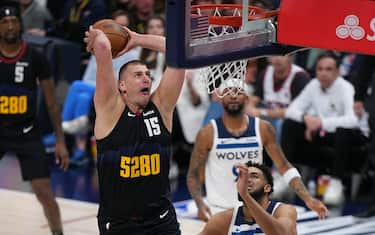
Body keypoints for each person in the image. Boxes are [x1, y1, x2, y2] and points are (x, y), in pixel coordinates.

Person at [84, 17, 185, 234]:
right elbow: (102, 46)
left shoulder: (162, 107)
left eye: (148, 75)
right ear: (122, 86)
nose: (146, 79)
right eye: (138, 75)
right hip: (120, 223)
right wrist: (99, 37)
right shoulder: (109, 110)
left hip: (161, 220)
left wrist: (137, 39)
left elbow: (180, 52)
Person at [187, 79, 328, 222]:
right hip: (219, 210)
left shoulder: (263, 128)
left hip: (254, 210)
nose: (233, 96)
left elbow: (284, 166)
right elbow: (193, 175)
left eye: (238, 92)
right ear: (220, 98)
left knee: (288, 218)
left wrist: (308, 199)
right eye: (228, 92)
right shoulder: (207, 133)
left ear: (247, 98)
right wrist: (199, 204)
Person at [0, 1, 69, 235]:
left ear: (20, 24)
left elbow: (51, 102)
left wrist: (60, 141)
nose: (10, 26)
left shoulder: (35, 57)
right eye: (5, 22)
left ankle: (58, 232)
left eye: (14, 21)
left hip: (27, 133)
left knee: (44, 192)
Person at [282, 52, 368, 206]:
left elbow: (353, 120)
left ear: (337, 72)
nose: (323, 73)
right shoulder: (313, 85)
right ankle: (286, 176)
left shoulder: (346, 88)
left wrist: (320, 122)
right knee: (290, 124)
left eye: (328, 69)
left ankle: (336, 184)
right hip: (323, 135)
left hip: (353, 137)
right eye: (320, 69)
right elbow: (291, 111)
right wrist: (306, 119)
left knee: (342, 131)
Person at [199, 161, 297, 235]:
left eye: (254, 176)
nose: (247, 180)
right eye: (243, 177)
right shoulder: (224, 220)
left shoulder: (283, 210)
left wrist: (246, 196)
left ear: (267, 188)